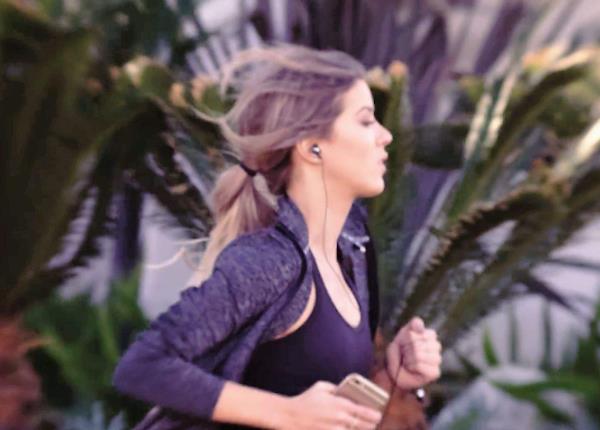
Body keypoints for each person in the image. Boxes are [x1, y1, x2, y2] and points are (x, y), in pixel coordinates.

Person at [112, 42, 442, 430]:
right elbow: (143, 365)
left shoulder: (351, 252)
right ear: (311, 146)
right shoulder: (272, 262)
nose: (385, 135)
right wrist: (287, 413)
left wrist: (392, 378)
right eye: (366, 121)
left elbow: (324, 409)